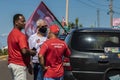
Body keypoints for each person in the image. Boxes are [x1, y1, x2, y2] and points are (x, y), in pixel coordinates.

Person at [7, 13, 36, 80]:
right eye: (22, 21)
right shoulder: (20, 35)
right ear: (16, 22)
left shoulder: (10, 34)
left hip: (12, 64)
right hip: (19, 65)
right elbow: (24, 51)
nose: (25, 23)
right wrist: (32, 52)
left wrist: (28, 64)